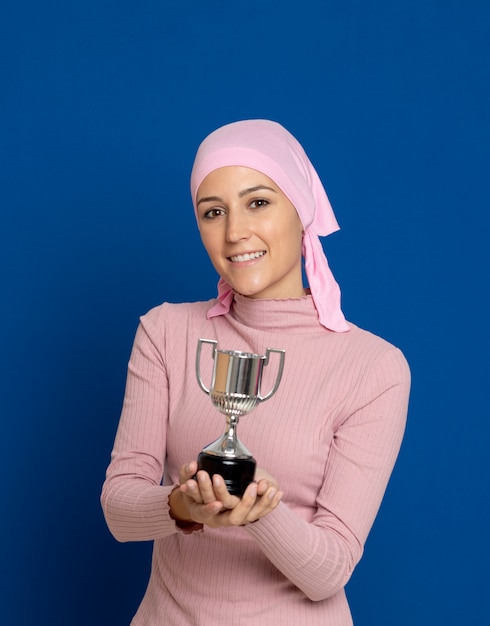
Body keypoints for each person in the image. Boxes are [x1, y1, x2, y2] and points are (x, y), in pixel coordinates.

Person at [100, 119, 411, 625]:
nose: (235, 231)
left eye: (258, 202)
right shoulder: (164, 332)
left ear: (300, 208)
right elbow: (118, 508)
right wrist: (183, 507)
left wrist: (262, 511)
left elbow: (328, 572)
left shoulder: (373, 368)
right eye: (213, 212)